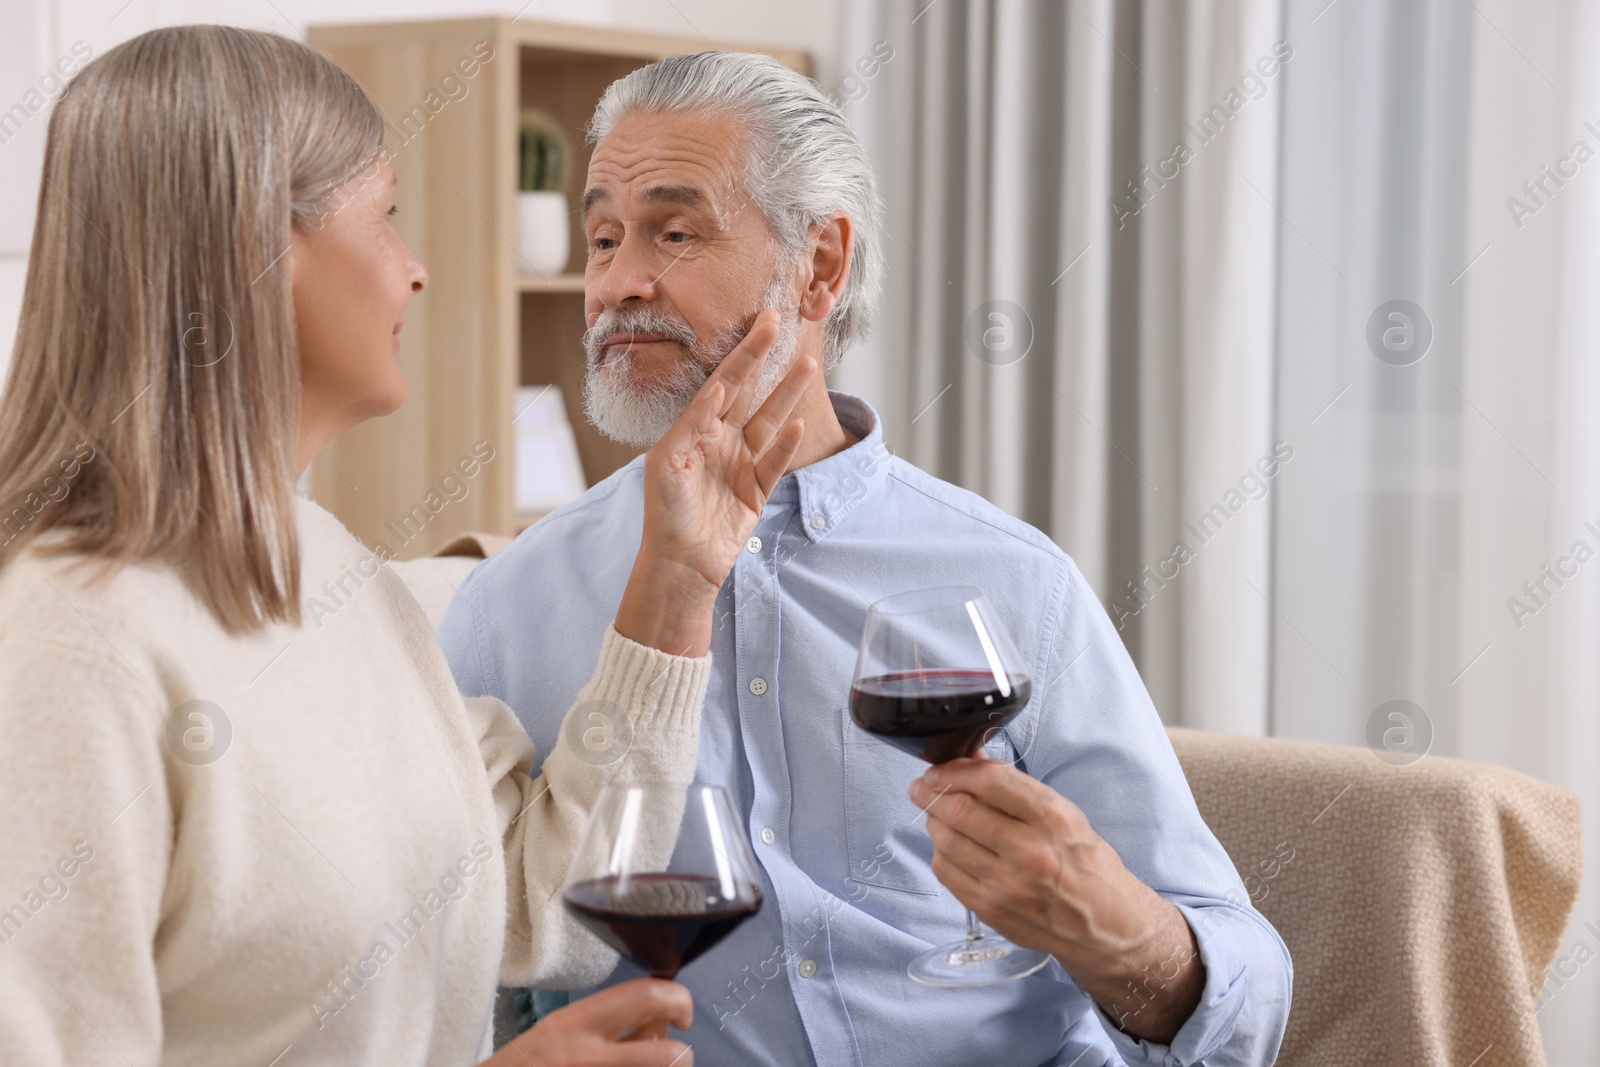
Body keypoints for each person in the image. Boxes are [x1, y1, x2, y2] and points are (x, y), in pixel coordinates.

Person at [439, 51, 1293, 1067]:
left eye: (674, 231)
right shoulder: (505, 606)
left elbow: (1246, 994)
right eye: (604, 237)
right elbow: (440, 973)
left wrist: (1118, 929)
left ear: (821, 265)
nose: (621, 282)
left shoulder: (1014, 580)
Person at [0, 26, 815, 1067]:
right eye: (385, 217)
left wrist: (676, 578)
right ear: (259, 242)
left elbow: (538, 902)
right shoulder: (71, 646)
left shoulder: (333, 575)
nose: (416, 271)